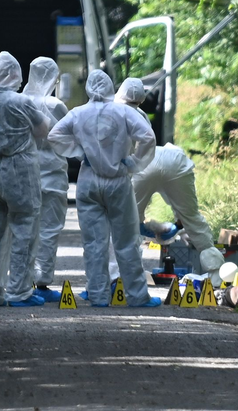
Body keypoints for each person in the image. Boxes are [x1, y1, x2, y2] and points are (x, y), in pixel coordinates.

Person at [48, 70, 160, 307]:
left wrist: (79, 152)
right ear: (111, 87)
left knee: (93, 243)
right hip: (118, 179)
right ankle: (137, 297)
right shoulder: (124, 112)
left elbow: (54, 135)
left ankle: (98, 296)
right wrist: (134, 162)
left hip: (88, 180)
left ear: (88, 88)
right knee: (126, 241)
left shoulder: (78, 113)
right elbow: (148, 138)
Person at [114, 79, 225, 282]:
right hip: (175, 160)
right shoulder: (141, 115)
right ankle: (217, 274)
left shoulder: (113, 112)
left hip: (143, 166)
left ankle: (128, 277)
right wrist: (176, 225)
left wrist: (144, 226)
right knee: (192, 218)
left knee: (128, 222)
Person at [0, 52, 50, 307]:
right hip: (19, 171)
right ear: (13, 74)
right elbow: (43, 129)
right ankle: (19, 291)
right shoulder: (20, 101)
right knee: (24, 227)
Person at [22, 58, 70, 303]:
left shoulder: (19, 102)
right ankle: (42, 283)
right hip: (53, 175)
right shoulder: (56, 105)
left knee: (24, 228)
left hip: (25, 174)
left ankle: (21, 280)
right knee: (49, 229)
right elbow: (70, 135)